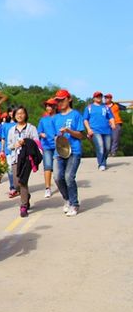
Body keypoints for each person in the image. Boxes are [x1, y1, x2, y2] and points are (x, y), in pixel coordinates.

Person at [52, 89, 85, 217]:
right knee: (58, 177)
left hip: (74, 151)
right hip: (59, 151)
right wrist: (57, 137)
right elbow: (55, 135)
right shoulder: (56, 118)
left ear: (69, 99)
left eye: (62, 100)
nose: (60, 103)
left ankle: (74, 204)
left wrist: (69, 131)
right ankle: (67, 199)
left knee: (69, 177)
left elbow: (81, 135)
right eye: (58, 101)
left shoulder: (76, 115)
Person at [7, 106, 40, 217]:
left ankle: (24, 206)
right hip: (15, 158)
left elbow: (36, 142)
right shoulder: (11, 130)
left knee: (22, 181)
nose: (20, 115)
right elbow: (9, 145)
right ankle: (26, 196)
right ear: (14, 116)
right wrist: (15, 145)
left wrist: (26, 142)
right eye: (17, 114)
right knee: (16, 185)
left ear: (25, 114)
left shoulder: (31, 128)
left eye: (22, 113)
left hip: (27, 159)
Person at [83, 91, 115, 171]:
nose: (99, 98)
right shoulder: (89, 108)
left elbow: (111, 117)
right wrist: (88, 129)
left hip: (107, 130)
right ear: (94, 98)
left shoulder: (106, 107)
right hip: (95, 130)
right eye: (97, 96)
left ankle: (103, 160)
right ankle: (101, 164)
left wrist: (113, 123)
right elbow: (85, 120)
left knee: (107, 148)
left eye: (100, 96)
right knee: (100, 146)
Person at [38, 98, 58, 198]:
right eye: (47, 105)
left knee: (58, 167)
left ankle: (61, 183)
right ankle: (47, 188)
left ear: (55, 107)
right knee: (48, 166)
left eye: (50, 105)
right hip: (47, 146)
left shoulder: (59, 118)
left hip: (58, 146)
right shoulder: (43, 120)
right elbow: (39, 132)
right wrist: (42, 134)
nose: (48, 107)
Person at [0, 108, 18, 197]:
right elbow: (3, 138)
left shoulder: (19, 123)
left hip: (18, 149)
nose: (11, 113)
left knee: (18, 168)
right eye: (10, 111)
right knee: (10, 169)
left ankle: (19, 185)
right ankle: (12, 187)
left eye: (13, 111)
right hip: (8, 150)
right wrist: (2, 149)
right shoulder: (5, 125)